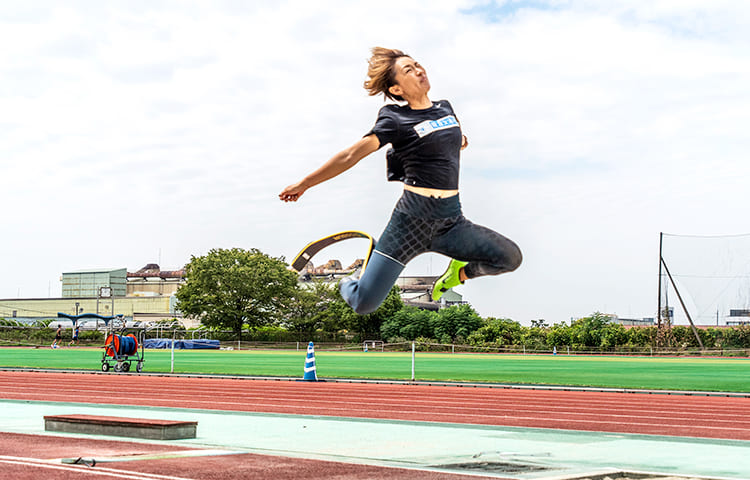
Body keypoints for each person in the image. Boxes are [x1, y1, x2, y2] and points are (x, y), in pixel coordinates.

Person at [280, 47, 522, 315]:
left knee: (510, 258)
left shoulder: (445, 108)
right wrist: (304, 183)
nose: (419, 70)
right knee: (363, 304)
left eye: (418, 64)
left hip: (451, 221)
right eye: (409, 69)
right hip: (409, 223)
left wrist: (458, 141)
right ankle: (351, 280)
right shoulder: (394, 118)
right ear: (396, 89)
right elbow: (350, 155)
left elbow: (451, 135)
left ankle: (456, 274)